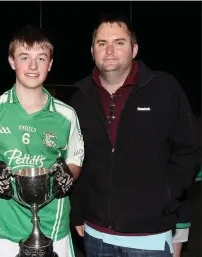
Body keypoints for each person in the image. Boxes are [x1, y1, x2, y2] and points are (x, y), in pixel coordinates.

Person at [68, 14, 201, 257]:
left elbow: (188, 150)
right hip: (95, 235)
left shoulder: (164, 89)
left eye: (119, 42)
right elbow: (76, 159)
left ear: (134, 48)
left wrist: (166, 199)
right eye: (102, 43)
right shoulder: (80, 100)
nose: (109, 50)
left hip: (149, 236)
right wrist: (77, 211)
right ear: (92, 51)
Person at [0, 25, 84, 257]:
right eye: (24, 57)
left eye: (41, 58)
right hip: (2, 228)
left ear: (50, 64)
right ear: (11, 61)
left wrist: (68, 174)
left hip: (54, 227)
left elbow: (76, 162)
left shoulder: (67, 115)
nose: (32, 66)